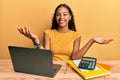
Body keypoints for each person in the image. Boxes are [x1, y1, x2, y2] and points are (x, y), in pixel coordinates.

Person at [17, 4, 112, 60]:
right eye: (58, 15)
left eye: (65, 14)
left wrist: (92, 41)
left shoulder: (76, 35)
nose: (61, 17)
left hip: (68, 69)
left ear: (70, 17)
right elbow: (46, 57)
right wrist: (36, 41)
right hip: (51, 67)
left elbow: (75, 57)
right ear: (55, 17)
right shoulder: (48, 33)